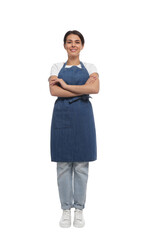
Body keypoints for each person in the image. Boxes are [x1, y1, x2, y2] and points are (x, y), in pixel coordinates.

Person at [48, 30, 100, 228]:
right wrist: (80, 89)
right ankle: (65, 209)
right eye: (69, 42)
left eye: (77, 42)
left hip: (83, 119)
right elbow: (54, 90)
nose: (73, 45)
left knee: (81, 166)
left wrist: (65, 85)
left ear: (82, 45)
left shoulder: (91, 66)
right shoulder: (56, 66)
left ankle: (79, 209)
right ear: (64, 45)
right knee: (62, 166)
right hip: (62, 118)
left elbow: (94, 89)